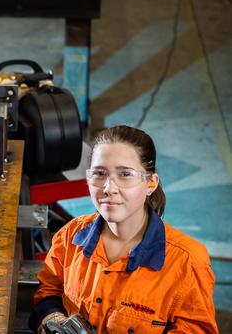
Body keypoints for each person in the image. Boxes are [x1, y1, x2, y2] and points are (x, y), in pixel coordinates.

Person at [29, 125, 218, 333]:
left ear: (151, 183)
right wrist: (52, 319)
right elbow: (49, 290)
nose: (109, 188)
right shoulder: (70, 236)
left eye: (125, 174)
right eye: (100, 174)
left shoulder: (187, 263)